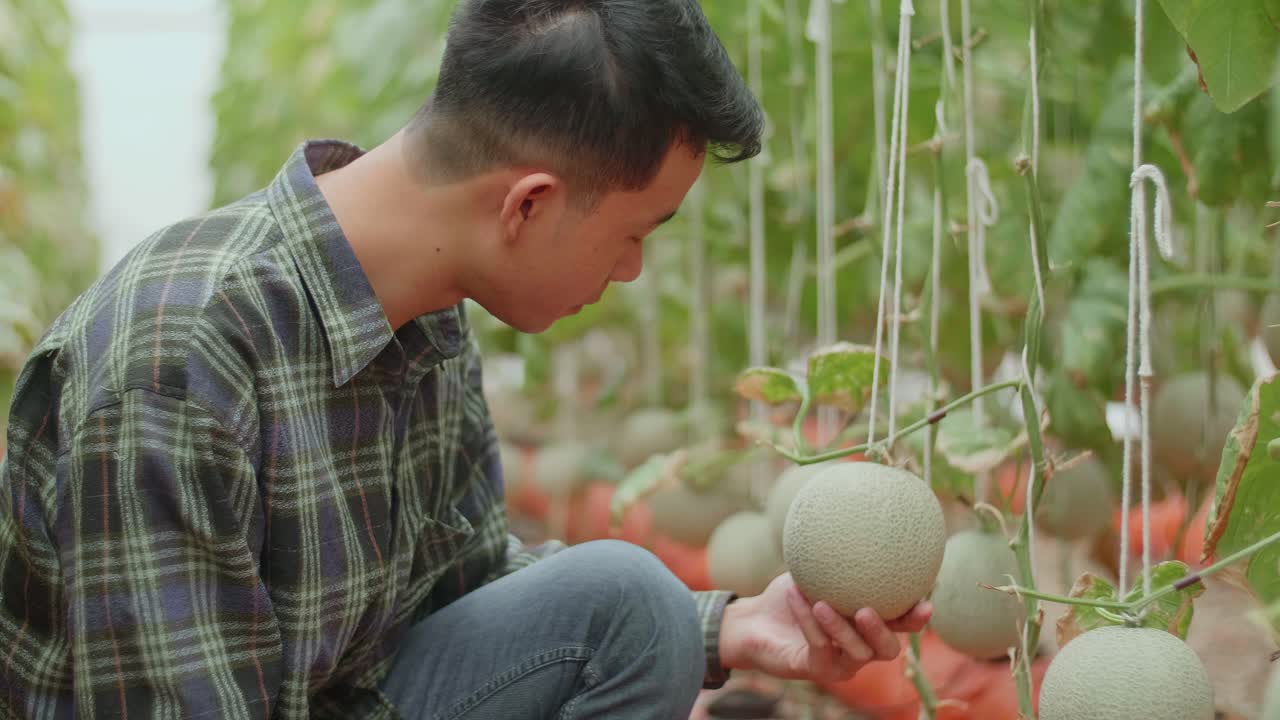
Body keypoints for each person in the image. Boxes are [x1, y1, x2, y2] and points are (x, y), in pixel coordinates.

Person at [0, 1, 931, 718]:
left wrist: (730, 627)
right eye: (634, 232)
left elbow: (467, 581)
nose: (634, 268)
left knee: (631, 605)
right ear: (525, 204)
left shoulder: (425, 314)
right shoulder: (176, 364)